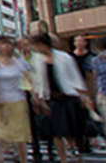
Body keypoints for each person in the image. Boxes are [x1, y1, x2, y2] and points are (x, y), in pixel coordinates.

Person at [29, 33, 89, 163]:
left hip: (68, 96)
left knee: (70, 130)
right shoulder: (37, 60)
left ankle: (72, 148)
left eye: (35, 45)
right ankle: (64, 159)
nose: (34, 48)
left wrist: (83, 95)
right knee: (56, 131)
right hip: (51, 98)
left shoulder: (64, 57)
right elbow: (37, 81)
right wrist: (38, 97)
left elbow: (75, 76)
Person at [0, 36, 33, 163]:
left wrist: (35, 95)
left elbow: (30, 76)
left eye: (9, 44)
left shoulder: (18, 62)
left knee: (20, 136)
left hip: (17, 101)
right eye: (3, 44)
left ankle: (23, 159)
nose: (7, 47)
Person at [71, 35, 95, 154]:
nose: (79, 42)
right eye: (77, 40)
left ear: (85, 43)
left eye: (81, 40)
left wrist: (91, 92)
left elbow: (92, 75)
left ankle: (89, 140)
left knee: (88, 115)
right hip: (75, 89)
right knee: (78, 118)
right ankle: (80, 143)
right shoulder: (71, 57)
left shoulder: (91, 57)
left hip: (87, 87)